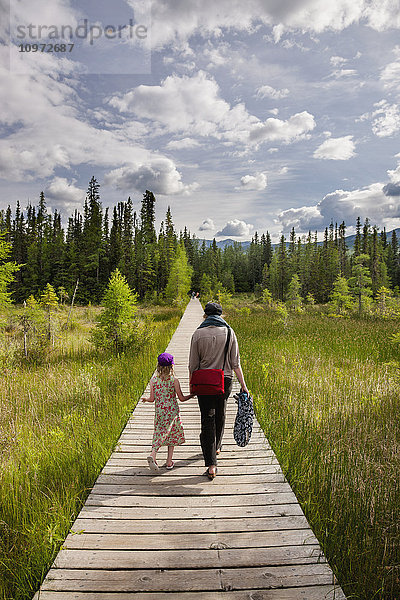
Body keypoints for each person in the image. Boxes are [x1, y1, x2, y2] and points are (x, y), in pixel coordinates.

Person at [189, 301, 248, 480]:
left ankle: (211, 464)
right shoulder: (230, 332)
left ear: (205, 315)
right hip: (225, 379)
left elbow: (193, 365)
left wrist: (192, 387)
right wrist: (244, 386)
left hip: (204, 383)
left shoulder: (197, 334)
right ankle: (216, 446)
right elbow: (235, 364)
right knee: (221, 413)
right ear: (221, 315)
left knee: (207, 418)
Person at [142, 352, 193, 472]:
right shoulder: (174, 380)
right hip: (172, 413)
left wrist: (146, 399)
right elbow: (181, 398)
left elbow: (152, 399)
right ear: (171, 366)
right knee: (172, 435)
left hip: (160, 412)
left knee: (159, 433)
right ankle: (163, 459)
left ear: (158, 366)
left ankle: (159, 457)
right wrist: (191, 395)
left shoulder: (154, 380)